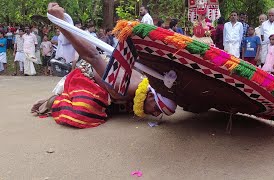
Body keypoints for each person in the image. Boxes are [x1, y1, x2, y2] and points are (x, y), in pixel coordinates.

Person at [31, 2, 177, 129]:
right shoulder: (122, 88)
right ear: (151, 96)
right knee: (85, 112)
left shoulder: (145, 82)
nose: (156, 114)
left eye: (159, 113)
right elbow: (92, 56)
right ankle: (52, 102)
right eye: (157, 109)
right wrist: (60, 23)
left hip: (107, 81)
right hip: (86, 78)